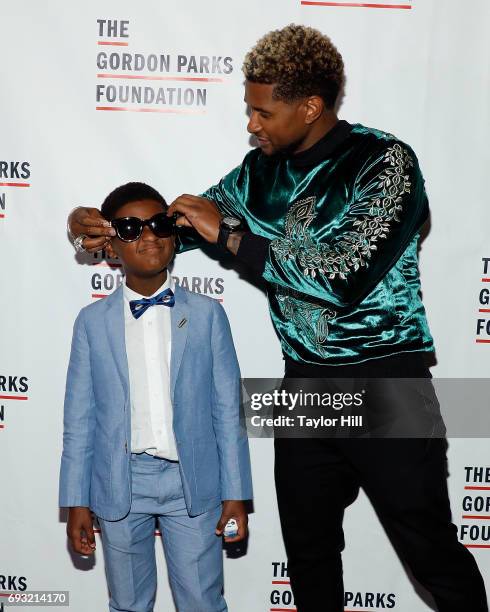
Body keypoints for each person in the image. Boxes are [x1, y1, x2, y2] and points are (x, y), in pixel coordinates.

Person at [67, 25, 488, 612]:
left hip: (386, 381)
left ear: (310, 106)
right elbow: (169, 232)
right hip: (303, 386)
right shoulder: (255, 174)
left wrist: (233, 235)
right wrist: (96, 230)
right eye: (249, 110)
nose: (252, 124)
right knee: (308, 555)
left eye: (263, 112)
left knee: (430, 551)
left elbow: (342, 276)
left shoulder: (385, 162)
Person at [60, 182, 253, 612]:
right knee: (128, 603)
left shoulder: (207, 315)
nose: (148, 236)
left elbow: (227, 411)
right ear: (110, 245)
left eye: (159, 224)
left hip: (193, 483)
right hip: (119, 484)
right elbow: (79, 421)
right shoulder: (91, 323)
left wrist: (235, 491)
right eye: (131, 228)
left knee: (202, 601)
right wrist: (76, 501)